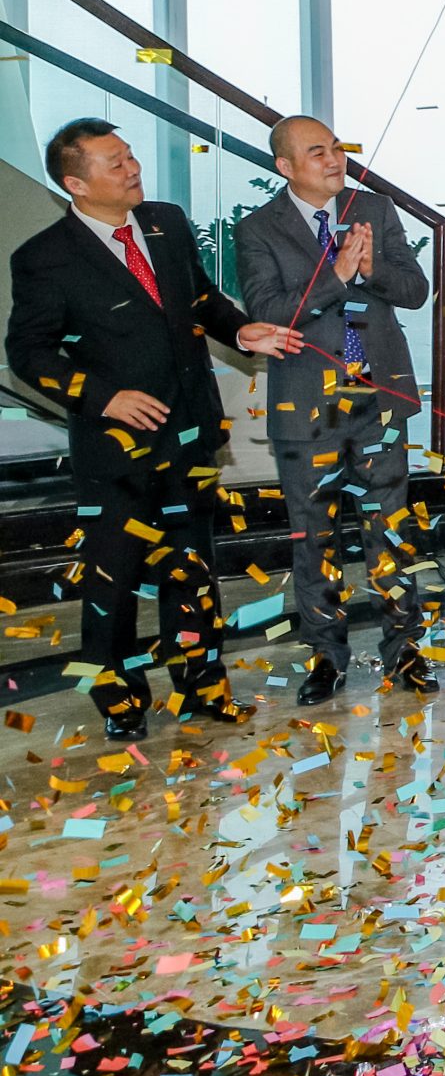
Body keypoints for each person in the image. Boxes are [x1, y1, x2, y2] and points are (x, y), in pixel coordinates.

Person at [4, 121, 304, 736]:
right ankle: (119, 701)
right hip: (114, 450)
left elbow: (200, 300)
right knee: (111, 585)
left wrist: (239, 330)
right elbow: (28, 353)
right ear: (75, 183)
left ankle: (202, 688)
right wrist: (104, 398)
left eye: (130, 155)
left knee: (192, 572)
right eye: (115, 163)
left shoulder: (166, 223)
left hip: (189, 432)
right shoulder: (44, 257)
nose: (133, 168)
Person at [237, 116, 437, 703]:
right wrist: (338, 274)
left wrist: (373, 270)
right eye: (317, 152)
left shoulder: (372, 208)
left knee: (390, 532)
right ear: (285, 166)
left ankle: (405, 649)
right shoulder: (258, 228)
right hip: (307, 407)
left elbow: (415, 291)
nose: (334, 160)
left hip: (378, 399)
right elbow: (269, 309)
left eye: (336, 148)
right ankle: (326, 655)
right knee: (314, 537)